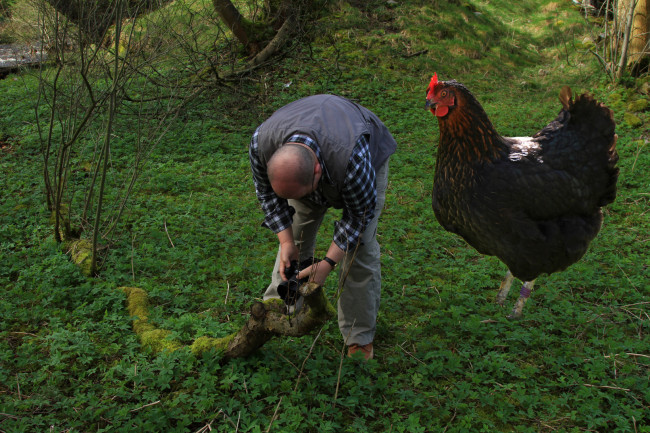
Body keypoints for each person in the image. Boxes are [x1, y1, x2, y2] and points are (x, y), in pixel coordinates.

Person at [249, 94, 397, 360]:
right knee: (296, 232)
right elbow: (267, 196)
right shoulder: (262, 143)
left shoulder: (353, 159)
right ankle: (278, 308)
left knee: (359, 252)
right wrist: (286, 243)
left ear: (317, 171)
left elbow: (358, 217)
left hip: (359, 153)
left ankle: (358, 334)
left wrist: (328, 263)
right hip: (310, 163)